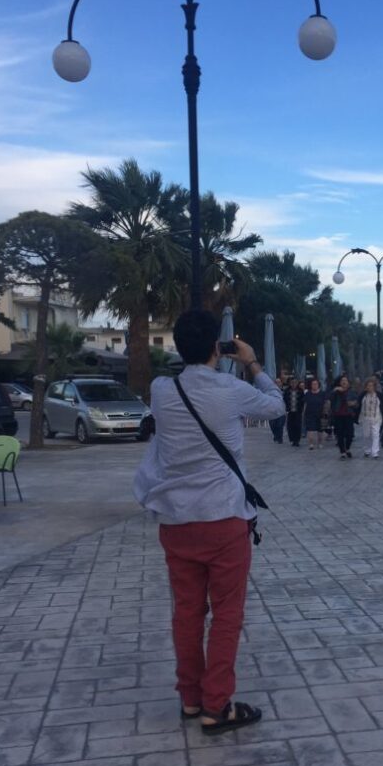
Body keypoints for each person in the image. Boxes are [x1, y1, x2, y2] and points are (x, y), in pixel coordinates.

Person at [133, 310, 284, 734]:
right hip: (223, 518)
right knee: (227, 614)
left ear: (179, 345)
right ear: (218, 347)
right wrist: (252, 362)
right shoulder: (231, 389)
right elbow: (277, 405)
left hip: (177, 520)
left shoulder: (162, 389)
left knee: (187, 612)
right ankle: (216, 706)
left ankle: (190, 698)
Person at [331, 374, 358, 459]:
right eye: (342, 381)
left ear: (348, 383)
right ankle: (342, 451)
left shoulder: (352, 392)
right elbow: (330, 399)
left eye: (345, 381)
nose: (344, 382)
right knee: (340, 434)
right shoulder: (336, 392)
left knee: (350, 434)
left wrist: (353, 403)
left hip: (349, 415)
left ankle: (347, 448)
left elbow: (357, 403)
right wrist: (335, 391)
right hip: (338, 415)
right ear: (339, 383)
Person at [359, 377, 383, 458]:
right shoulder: (363, 396)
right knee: (366, 435)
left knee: (375, 434)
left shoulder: (379, 396)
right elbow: (358, 405)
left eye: (371, 386)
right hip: (366, 418)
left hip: (376, 418)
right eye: (368, 386)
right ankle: (367, 450)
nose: (370, 387)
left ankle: (375, 452)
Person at [303, 378, 327, 450]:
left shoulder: (322, 393)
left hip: (321, 414)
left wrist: (326, 412)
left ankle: (320, 443)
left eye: (316, 384)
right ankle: (311, 444)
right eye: (313, 384)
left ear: (318, 385)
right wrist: (303, 413)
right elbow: (305, 404)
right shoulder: (307, 394)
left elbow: (326, 403)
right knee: (310, 429)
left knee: (320, 430)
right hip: (309, 414)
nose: (314, 385)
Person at [283, 377, 304, 446]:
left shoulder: (300, 391)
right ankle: (292, 439)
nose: (294, 384)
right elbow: (284, 400)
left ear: (297, 383)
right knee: (290, 426)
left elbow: (303, 401)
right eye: (292, 382)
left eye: (295, 382)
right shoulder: (287, 391)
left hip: (298, 411)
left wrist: (302, 409)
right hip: (290, 411)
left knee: (298, 426)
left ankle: (297, 440)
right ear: (290, 383)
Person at [268, 377, 285, 443]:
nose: (277, 383)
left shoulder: (284, 391)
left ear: (281, 383)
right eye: (276, 382)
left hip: (281, 411)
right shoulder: (270, 392)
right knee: (272, 424)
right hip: (272, 411)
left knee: (280, 425)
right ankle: (275, 434)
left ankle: (280, 438)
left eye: (279, 382)